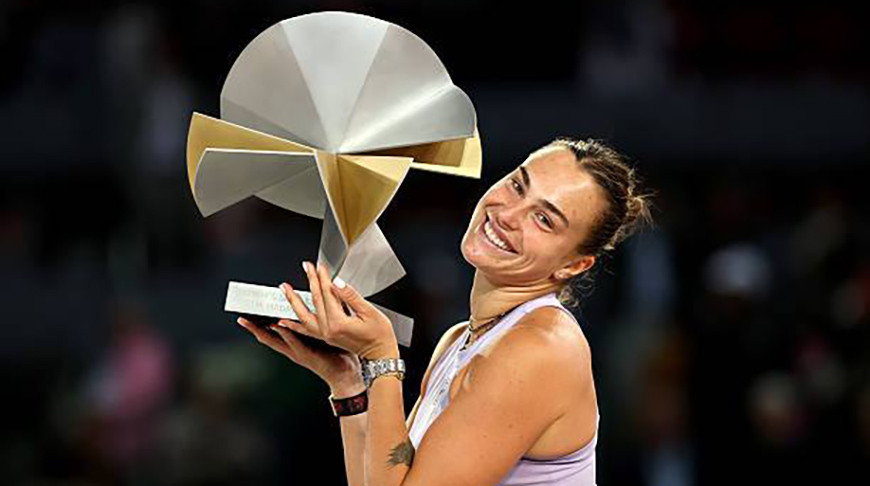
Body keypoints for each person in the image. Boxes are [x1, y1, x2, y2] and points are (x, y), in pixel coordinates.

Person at [237, 137, 653, 486]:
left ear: (574, 265)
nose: (507, 215)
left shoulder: (539, 349)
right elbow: (385, 479)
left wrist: (382, 355)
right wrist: (348, 381)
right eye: (517, 185)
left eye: (543, 219)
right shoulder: (460, 339)